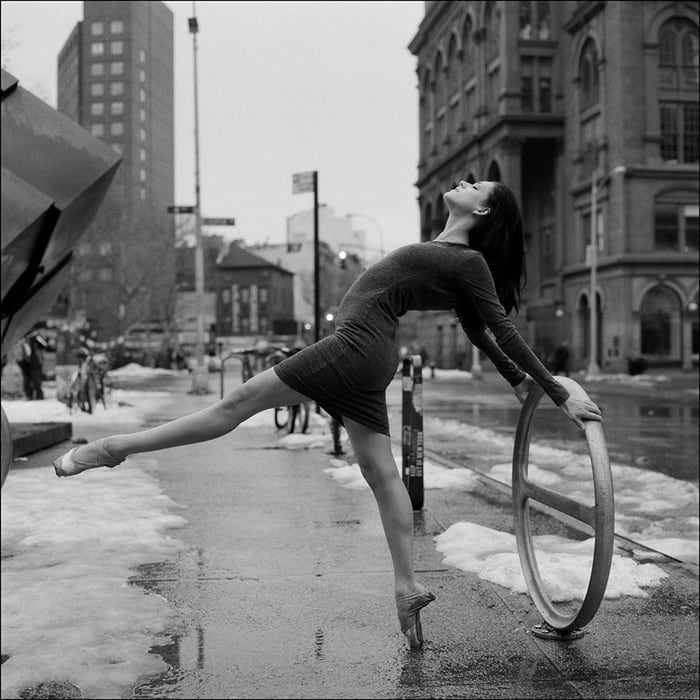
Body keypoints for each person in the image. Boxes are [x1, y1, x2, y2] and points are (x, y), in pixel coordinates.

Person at [52, 180, 602, 649]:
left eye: (476, 186)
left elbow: (499, 327)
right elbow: (478, 329)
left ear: (481, 211)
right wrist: (513, 380)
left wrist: (555, 392)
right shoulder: (456, 259)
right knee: (382, 476)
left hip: (355, 345)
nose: (464, 182)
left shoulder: (469, 260)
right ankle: (406, 586)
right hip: (370, 354)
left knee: (232, 406)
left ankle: (114, 448)